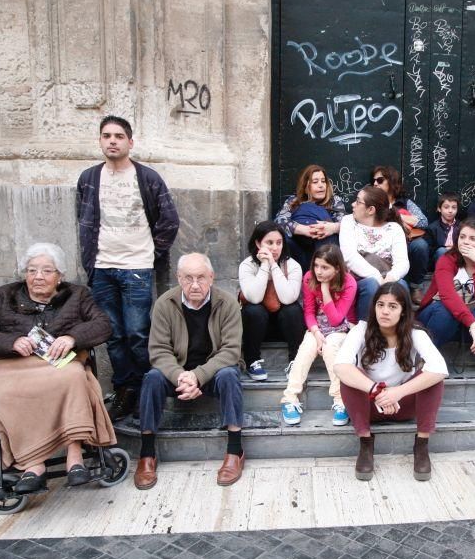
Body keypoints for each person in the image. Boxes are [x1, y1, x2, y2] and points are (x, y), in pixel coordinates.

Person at [0, 243, 116, 495]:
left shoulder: (77, 295)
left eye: (46, 271)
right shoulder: (1, 296)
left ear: (59, 276)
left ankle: (74, 457)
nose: (38, 277)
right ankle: (33, 464)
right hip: (12, 365)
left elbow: (103, 324)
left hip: (59, 362)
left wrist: (72, 338)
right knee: (6, 393)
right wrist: (9, 342)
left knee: (75, 375)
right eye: (32, 271)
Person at [76, 115, 179, 420]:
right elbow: (83, 221)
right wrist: (90, 261)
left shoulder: (147, 178)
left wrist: (151, 253)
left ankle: (150, 389)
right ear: (99, 141)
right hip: (102, 268)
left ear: (130, 142)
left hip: (136, 267)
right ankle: (126, 390)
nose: (112, 141)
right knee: (112, 334)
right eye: (106, 136)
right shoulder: (89, 178)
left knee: (137, 332)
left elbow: (169, 220)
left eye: (118, 136)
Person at [135, 253, 245, 489]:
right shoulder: (165, 304)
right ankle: (146, 453)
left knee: (229, 374)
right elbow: (159, 351)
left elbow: (231, 351)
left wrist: (198, 375)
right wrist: (181, 376)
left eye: (201, 278)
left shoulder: (227, 303)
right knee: (152, 378)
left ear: (212, 277)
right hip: (179, 374)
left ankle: (235, 450)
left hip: (211, 372)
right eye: (188, 278)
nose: (195, 284)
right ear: (178, 278)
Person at [334, 283, 448, 481]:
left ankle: (421, 445)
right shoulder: (361, 330)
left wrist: (398, 392)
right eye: (380, 305)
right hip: (369, 406)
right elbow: (340, 366)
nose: (385, 311)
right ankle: (366, 443)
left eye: (393, 306)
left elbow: (440, 368)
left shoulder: (415, 334)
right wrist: (377, 392)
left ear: (403, 311)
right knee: (348, 377)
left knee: (433, 378)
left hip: (403, 405)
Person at [278, 244, 356, 427]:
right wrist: (316, 332)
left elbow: (336, 319)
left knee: (330, 348)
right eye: (316, 265)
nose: (318, 272)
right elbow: (309, 312)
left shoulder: (349, 282)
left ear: (337, 268)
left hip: (341, 328)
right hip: (317, 328)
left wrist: (325, 289)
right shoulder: (309, 278)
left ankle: (341, 401)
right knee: (306, 347)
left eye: (325, 267)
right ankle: (289, 399)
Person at [418, 219, 475, 380]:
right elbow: (447, 295)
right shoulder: (447, 259)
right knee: (445, 311)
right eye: (462, 237)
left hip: (470, 320)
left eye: (473, 238)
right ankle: (426, 359)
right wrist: (473, 324)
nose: (466, 242)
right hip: (438, 319)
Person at [238, 221, 305, 381]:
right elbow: (253, 297)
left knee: (293, 310)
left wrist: (274, 265)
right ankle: (252, 360)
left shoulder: (293, 266)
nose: (275, 248)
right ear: (257, 243)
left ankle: (295, 361)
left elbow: (288, 298)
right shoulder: (247, 265)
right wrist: (264, 266)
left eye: (279, 242)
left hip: (286, 326)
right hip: (258, 326)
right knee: (254, 310)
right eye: (269, 243)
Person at [339, 185, 409, 320]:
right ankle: (365, 331)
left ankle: (399, 334)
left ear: (370, 210)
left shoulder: (394, 229)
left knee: (401, 285)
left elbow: (402, 262)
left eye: (358, 202)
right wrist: (377, 278)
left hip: (387, 277)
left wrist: (390, 278)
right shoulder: (348, 222)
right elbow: (349, 257)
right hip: (360, 282)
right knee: (372, 284)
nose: (353, 204)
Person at [372, 166, 429, 305]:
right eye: (373, 181)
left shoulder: (405, 203)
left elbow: (423, 221)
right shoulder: (371, 202)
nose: (375, 184)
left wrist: (398, 216)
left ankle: (415, 287)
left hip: (406, 245)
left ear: (391, 182)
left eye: (380, 180)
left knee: (421, 245)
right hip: (382, 247)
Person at [273, 164, 345, 268]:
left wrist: (332, 228)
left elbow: (346, 224)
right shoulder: (294, 201)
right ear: (306, 187)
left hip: (324, 248)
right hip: (299, 250)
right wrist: (304, 229)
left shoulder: (334, 201)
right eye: (315, 182)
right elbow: (279, 221)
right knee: (281, 236)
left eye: (323, 181)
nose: (321, 185)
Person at [425, 192, 461, 266]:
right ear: (439, 208)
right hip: (439, 260)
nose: (450, 211)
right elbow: (429, 250)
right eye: (446, 207)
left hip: (458, 258)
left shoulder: (462, 226)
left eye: (454, 207)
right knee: (442, 251)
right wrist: (446, 249)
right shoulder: (432, 228)